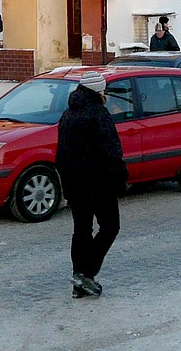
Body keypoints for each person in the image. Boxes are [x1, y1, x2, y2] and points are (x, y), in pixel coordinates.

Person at [56, 70, 127, 299]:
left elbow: (62, 154)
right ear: (98, 91)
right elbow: (111, 151)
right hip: (99, 183)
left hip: (76, 184)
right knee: (110, 226)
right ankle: (86, 273)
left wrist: (67, 183)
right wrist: (120, 178)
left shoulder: (67, 115)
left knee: (82, 229)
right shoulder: (99, 114)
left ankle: (79, 282)